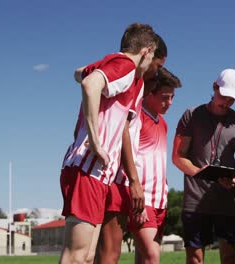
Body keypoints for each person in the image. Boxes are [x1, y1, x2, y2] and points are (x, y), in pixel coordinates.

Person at [59, 23, 157, 264]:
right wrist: (94, 141)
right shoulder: (125, 65)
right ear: (146, 51)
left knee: (87, 257)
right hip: (87, 168)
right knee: (76, 256)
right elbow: (89, 84)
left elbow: (78, 73)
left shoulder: (121, 70)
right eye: (153, 56)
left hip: (97, 173)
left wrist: (96, 68)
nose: (150, 64)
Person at [94, 33, 168, 264]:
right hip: (113, 175)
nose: (156, 71)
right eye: (157, 65)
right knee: (107, 253)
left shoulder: (132, 82)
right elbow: (123, 129)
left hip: (117, 177)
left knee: (101, 253)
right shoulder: (129, 80)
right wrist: (135, 182)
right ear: (147, 53)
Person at [172, 69, 235, 264]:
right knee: (195, 259)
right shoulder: (192, 115)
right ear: (215, 87)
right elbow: (177, 157)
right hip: (195, 201)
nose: (225, 103)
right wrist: (199, 173)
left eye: (231, 100)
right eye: (223, 96)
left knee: (229, 257)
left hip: (228, 203)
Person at [129, 67, 182, 264]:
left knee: (143, 259)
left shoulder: (163, 123)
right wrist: (136, 196)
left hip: (161, 201)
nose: (169, 103)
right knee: (152, 257)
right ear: (149, 93)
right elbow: (127, 159)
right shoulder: (136, 118)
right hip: (142, 200)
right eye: (165, 97)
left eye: (172, 97)